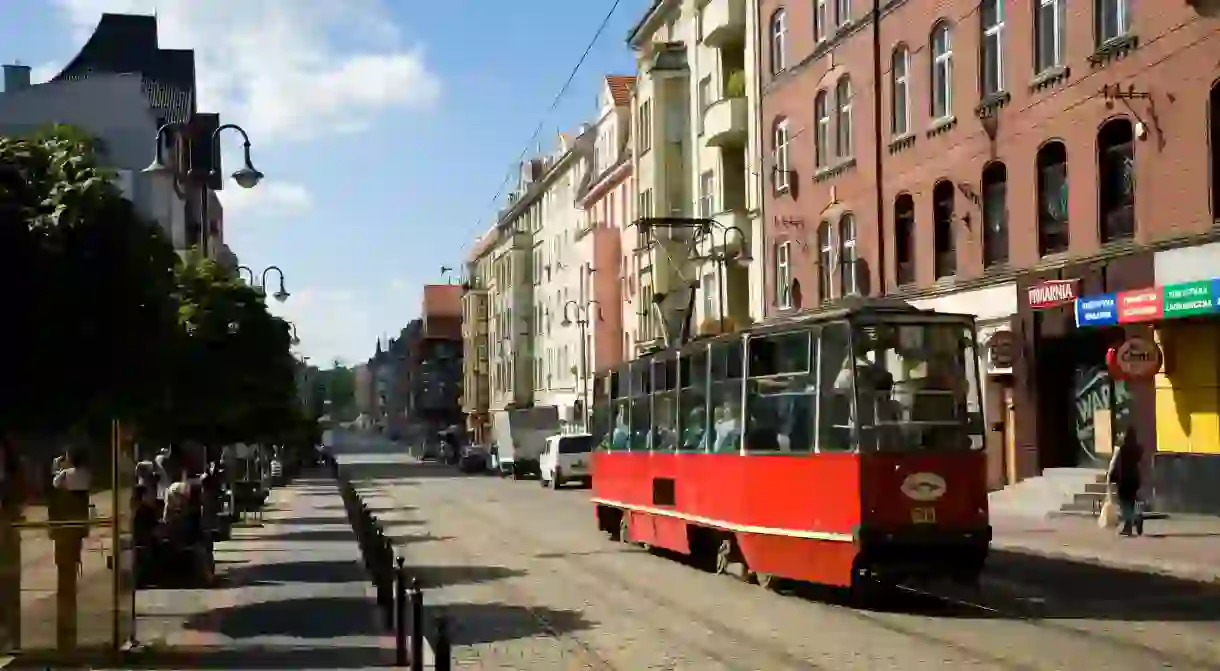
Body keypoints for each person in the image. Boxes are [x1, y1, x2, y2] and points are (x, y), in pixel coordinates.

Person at [1108, 428, 1144, 537]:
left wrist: (1112, 476)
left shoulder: (1123, 449)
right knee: (1130, 503)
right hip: (1134, 478)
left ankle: (1134, 519)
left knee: (1123, 504)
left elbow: (1118, 464)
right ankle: (1129, 525)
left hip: (1124, 479)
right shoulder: (1138, 449)